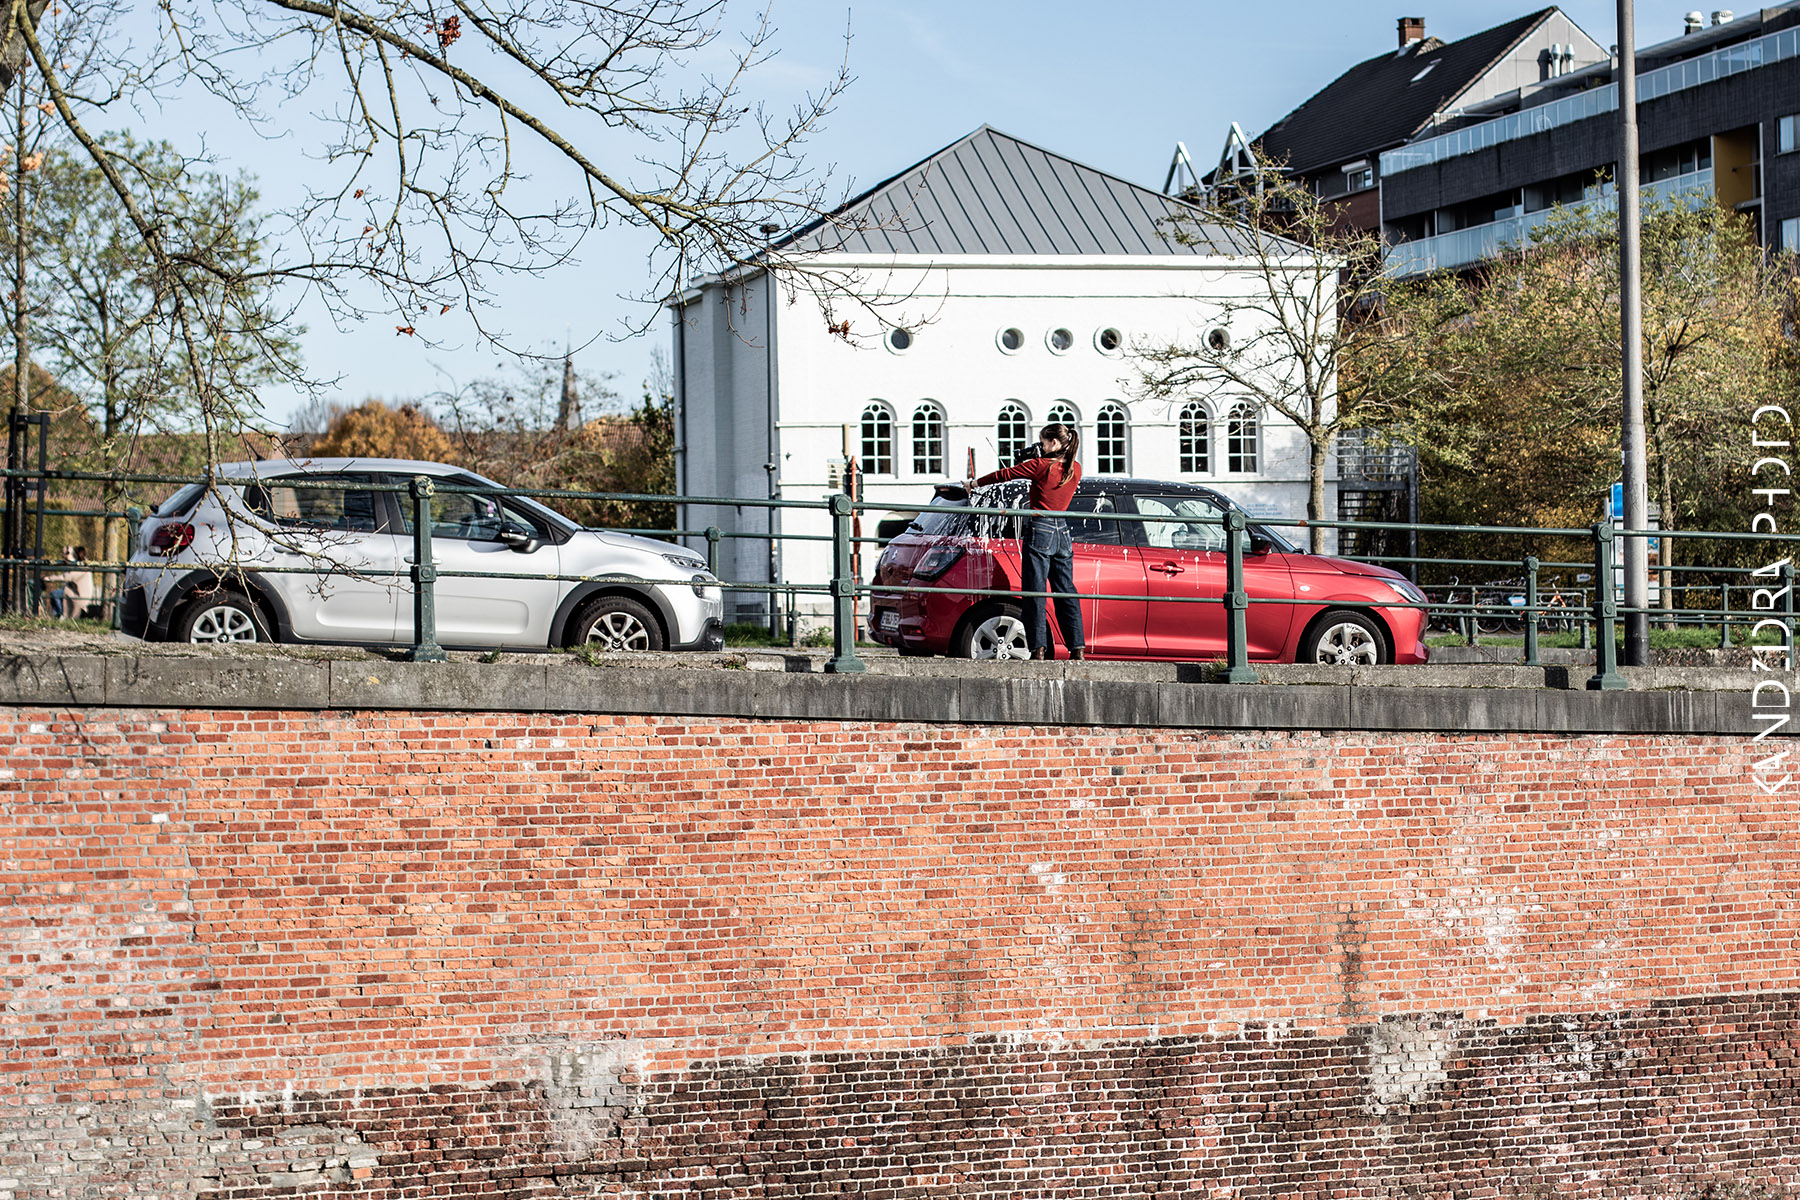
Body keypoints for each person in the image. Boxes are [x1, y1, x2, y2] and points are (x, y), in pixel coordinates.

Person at [969, 423, 1085, 660]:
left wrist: (973, 484)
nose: (1040, 447)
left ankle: (1038, 648)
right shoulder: (1075, 468)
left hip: (1040, 528)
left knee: (1035, 591)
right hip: (1063, 531)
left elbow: (1004, 475)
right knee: (1066, 591)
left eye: (1043, 442)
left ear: (1053, 443)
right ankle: (1077, 647)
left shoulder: (1040, 466)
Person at [46, 546, 94, 620]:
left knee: (54, 594)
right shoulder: (83, 564)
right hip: (78, 593)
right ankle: (59, 615)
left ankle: (60, 615)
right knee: (59, 593)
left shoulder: (81, 567)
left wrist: (49, 578)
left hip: (80, 595)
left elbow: (66, 577)